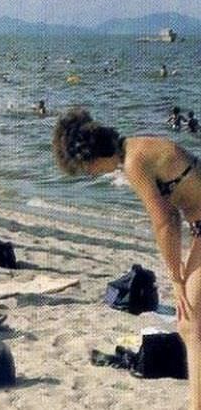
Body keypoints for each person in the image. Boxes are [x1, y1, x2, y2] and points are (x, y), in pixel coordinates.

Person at [53, 109, 201, 408]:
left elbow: (165, 221)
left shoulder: (133, 163)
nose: (91, 175)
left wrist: (174, 277)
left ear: (91, 158)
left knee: (189, 321)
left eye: (85, 169)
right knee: (190, 320)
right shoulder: (136, 148)